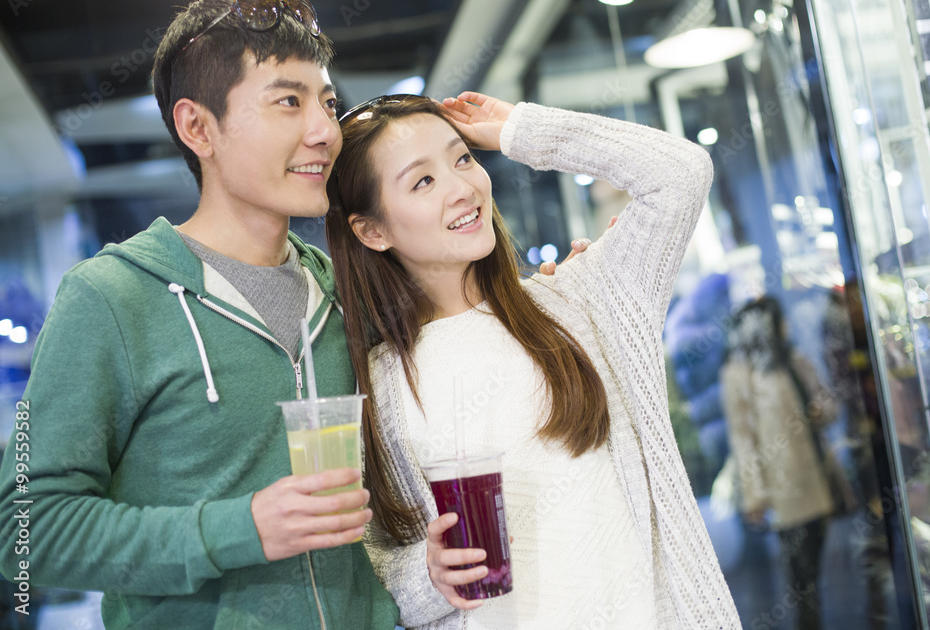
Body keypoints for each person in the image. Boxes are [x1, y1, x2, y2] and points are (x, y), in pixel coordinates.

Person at [0, 0, 401, 629]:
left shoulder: (343, 291)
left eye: (326, 102)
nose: (327, 129)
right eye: (288, 102)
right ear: (197, 128)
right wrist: (238, 529)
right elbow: (26, 529)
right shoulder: (109, 297)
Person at [326, 92, 741, 628]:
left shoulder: (585, 299)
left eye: (463, 159)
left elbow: (681, 174)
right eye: (422, 181)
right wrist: (428, 578)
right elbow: (373, 566)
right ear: (371, 231)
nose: (461, 188)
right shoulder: (375, 387)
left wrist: (519, 128)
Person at [719, 295, 838, 630]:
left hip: (817, 476)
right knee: (800, 580)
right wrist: (755, 496)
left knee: (813, 569)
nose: (785, 325)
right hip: (783, 489)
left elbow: (829, 404)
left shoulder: (793, 359)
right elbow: (743, 439)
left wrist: (820, 410)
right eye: (778, 320)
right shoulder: (739, 374)